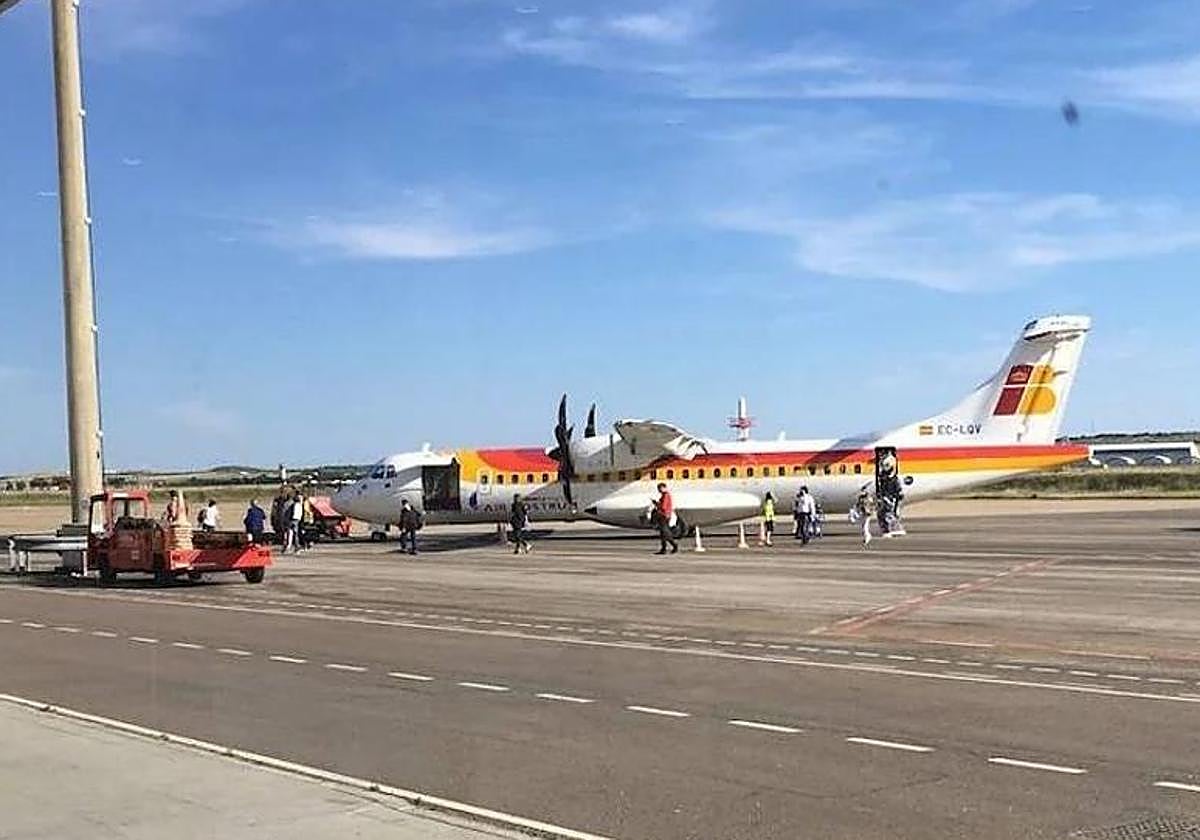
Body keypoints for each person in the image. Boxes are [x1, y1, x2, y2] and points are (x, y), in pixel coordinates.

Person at [652, 482, 678, 555]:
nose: (659, 490)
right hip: (664, 515)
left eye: (660, 488)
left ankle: (674, 545)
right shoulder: (664, 495)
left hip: (664, 515)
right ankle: (664, 549)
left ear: (664, 488)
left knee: (665, 532)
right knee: (663, 533)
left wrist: (657, 504)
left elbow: (663, 507)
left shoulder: (666, 495)